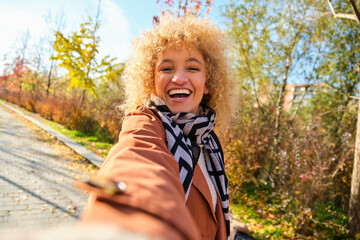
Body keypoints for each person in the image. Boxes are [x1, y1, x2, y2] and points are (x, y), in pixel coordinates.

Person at [76, 15, 248, 240]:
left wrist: (227, 226)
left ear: (208, 83)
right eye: (166, 68)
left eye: (192, 68)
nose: (178, 78)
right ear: (152, 80)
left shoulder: (209, 140)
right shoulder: (145, 121)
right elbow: (137, 162)